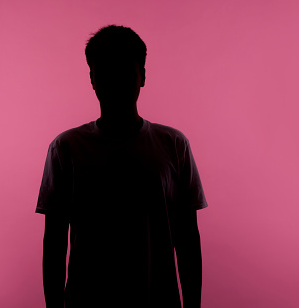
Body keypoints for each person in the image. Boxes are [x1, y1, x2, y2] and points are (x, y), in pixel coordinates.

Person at [36, 25, 208, 308]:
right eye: (105, 72)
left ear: (142, 76)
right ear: (92, 78)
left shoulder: (174, 145)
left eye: (125, 71)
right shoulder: (65, 148)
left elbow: (188, 239)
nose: (115, 81)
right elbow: (54, 244)